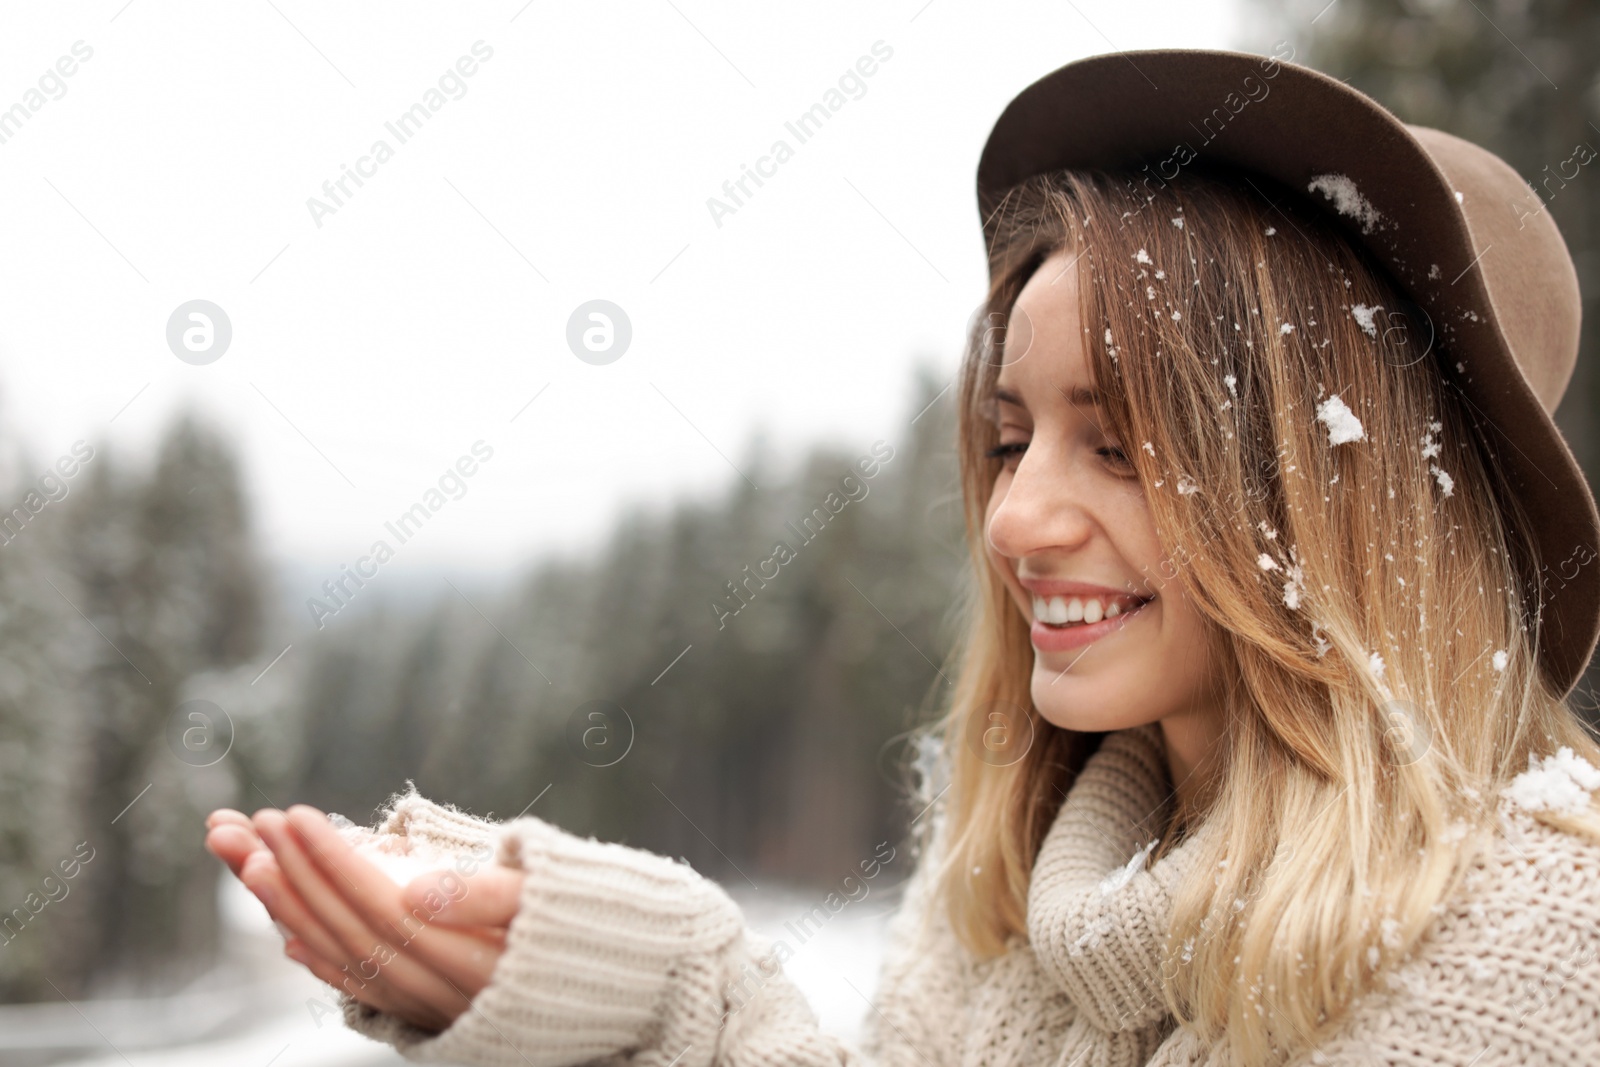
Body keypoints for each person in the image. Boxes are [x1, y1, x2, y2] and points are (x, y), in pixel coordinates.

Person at [206, 48, 1600, 1065]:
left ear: (1340, 512)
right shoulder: (1000, 915)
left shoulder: (1541, 954)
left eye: (1119, 447)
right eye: (1010, 441)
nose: (1014, 521)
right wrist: (658, 983)